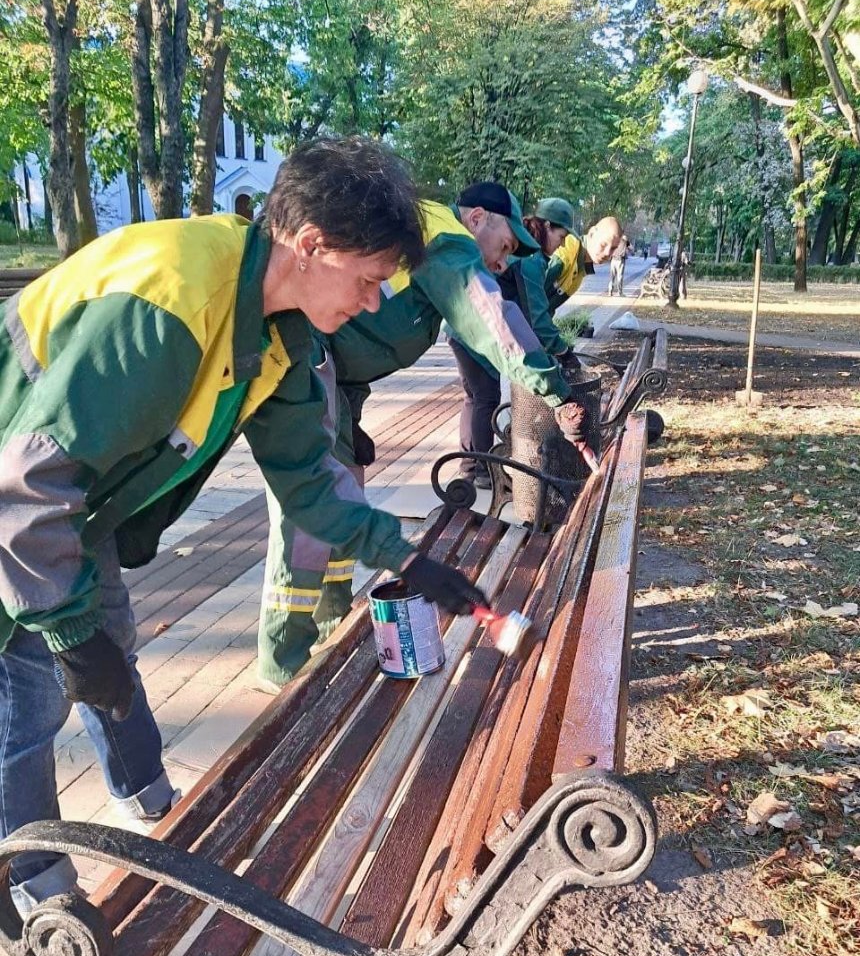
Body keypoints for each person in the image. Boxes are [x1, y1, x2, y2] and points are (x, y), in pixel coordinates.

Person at [0, 136, 485, 914]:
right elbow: (27, 487)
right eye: (368, 282)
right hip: (19, 499)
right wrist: (62, 626)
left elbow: (306, 477)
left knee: (108, 647)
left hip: (68, 507)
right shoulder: (171, 304)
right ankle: (37, 893)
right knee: (30, 697)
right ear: (311, 245)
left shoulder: (278, 329)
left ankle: (148, 798)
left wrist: (404, 556)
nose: (373, 304)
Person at [258, 181, 589, 687]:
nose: (503, 262)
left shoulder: (435, 250)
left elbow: (490, 349)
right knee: (310, 516)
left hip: (329, 379)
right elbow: (495, 323)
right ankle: (284, 668)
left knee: (343, 504)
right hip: (301, 366)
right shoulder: (446, 240)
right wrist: (559, 395)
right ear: (478, 218)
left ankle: (329, 637)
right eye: (504, 246)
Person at [448, 204, 622, 487]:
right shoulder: (531, 260)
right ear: (546, 227)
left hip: (475, 327)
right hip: (475, 330)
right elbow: (538, 317)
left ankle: (474, 467)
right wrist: (561, 351)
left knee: (477, 397)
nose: (563, 243)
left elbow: (537, 313)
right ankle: (478, 471)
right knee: (484, 398)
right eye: (561, 236)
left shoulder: (534, 256)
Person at [608, 233, 631, 297]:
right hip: (620, 260)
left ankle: (610, 291)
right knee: (619, 277)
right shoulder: (625, 241)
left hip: (613, 260)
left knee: (612, 277)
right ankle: (620, 293)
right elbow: (631, 248)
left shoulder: (614, 240)